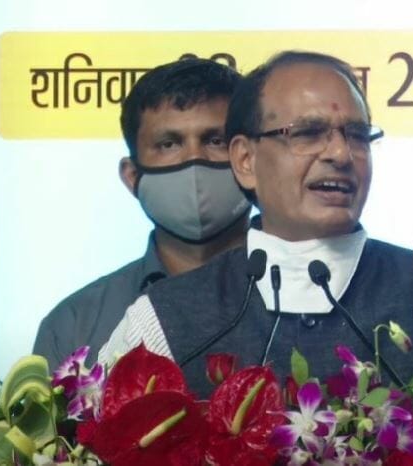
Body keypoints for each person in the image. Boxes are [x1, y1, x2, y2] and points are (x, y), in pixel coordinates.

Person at [99, 51, 413, 410]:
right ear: (245, 160)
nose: (340, 154)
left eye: (357, 135)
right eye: (308, 133)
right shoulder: (167, 314)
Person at [33, 58, 251, 369]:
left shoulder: (312, 299)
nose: (193, 159)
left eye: (215, 140)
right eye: (169, 144)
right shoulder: (74, 325)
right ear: (132, 176)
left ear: (251, 160)